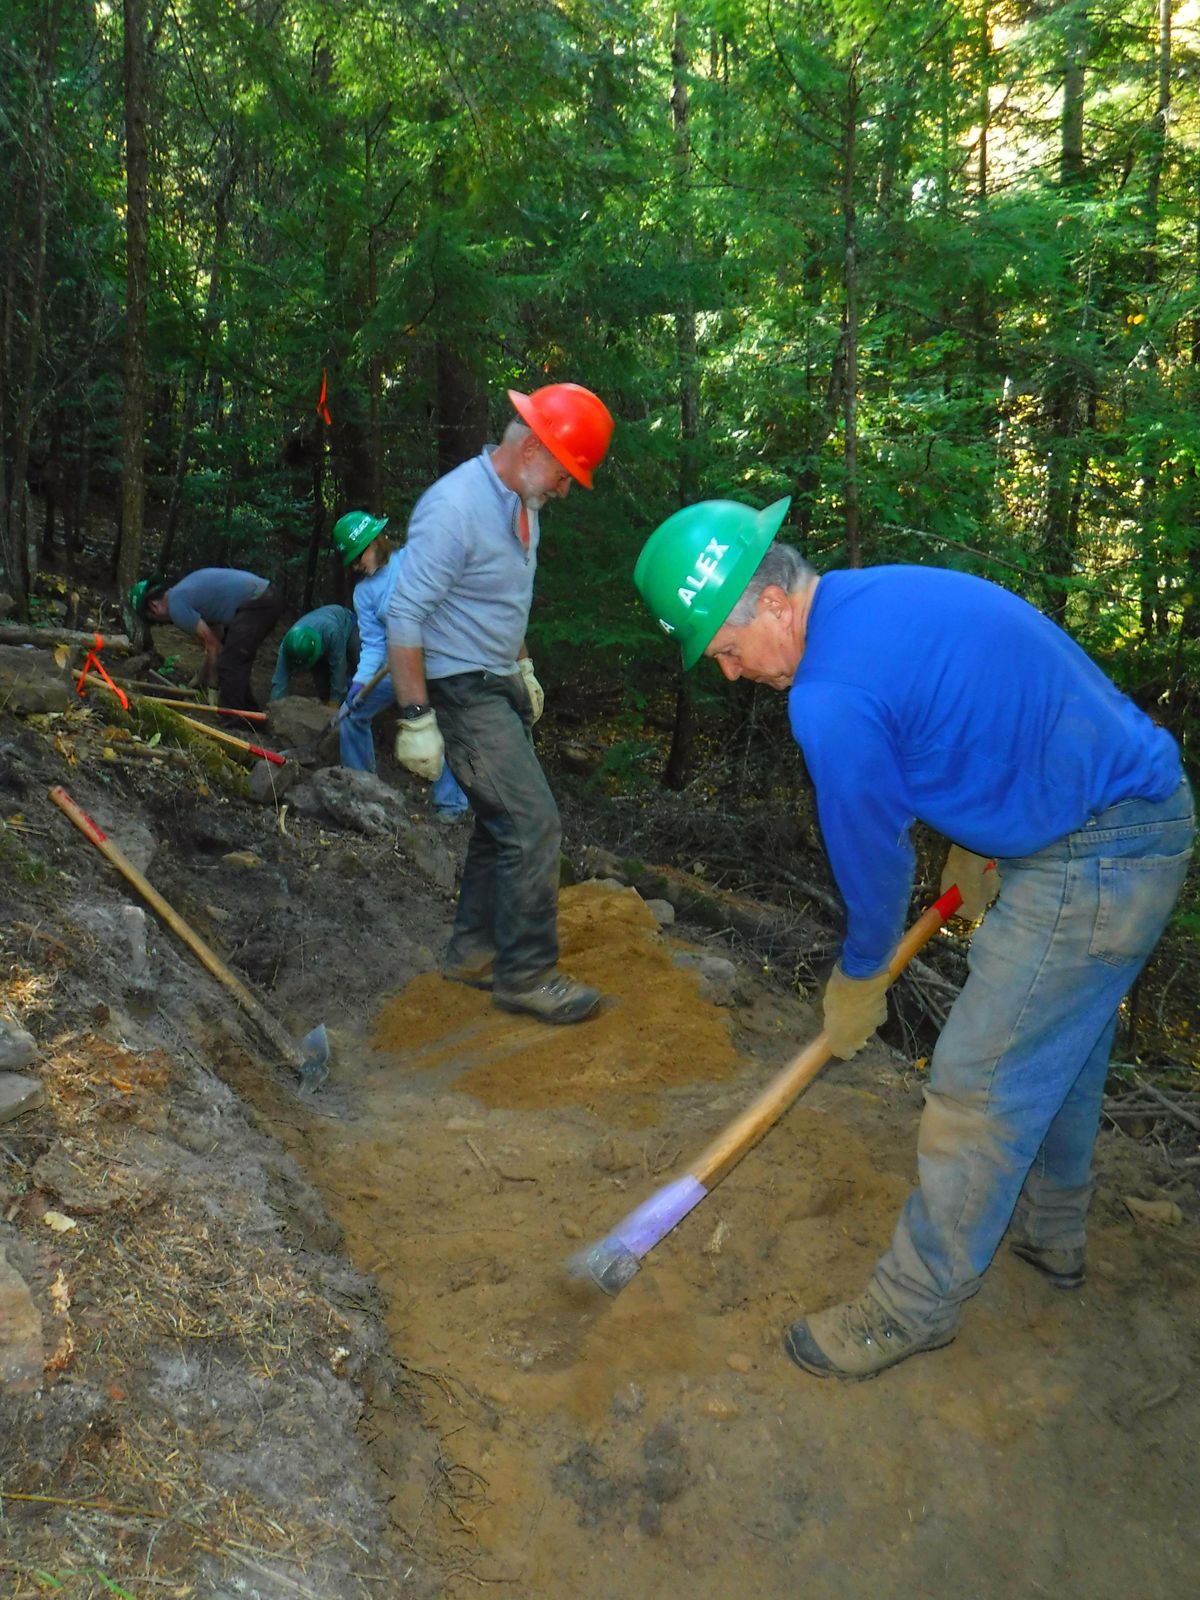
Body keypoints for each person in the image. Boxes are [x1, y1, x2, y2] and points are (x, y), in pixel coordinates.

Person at [634, 498, 1194, 1380]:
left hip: (1099, 848)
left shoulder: (827, 696)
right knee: (1064, 1040)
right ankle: (1052, 1231)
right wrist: (988, 838)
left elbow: (875, 858)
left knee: (977, 1080)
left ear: (774, 605)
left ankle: (914, 1304)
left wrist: (861, 974)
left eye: (729, 652)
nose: (733, 676)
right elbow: (988, 704)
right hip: (1125, 813)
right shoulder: (871, 597)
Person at [385, 382, 614, 1024]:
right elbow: (405, 613)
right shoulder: (454, 507)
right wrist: (416, 717)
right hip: (460, 690)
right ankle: (528, 974)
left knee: (499, 822)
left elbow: (503, 599)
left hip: (495, 679)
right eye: (566, 474)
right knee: (534, 823)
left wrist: (523, 666)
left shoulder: (521, 500)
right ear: (533, 447)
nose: (567, 490)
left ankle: (474, 952)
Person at [331, 510, 469, 823]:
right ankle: (363, 788)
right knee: (353, 714)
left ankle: (450, 808)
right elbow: (375, 646)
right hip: (397, 669)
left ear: (373, 543)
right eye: (351, 562)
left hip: (441, 661)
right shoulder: (364, 593)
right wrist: (357, 686)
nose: (356, 567)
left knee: (454, 723)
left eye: (357, 557)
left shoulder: (415, 559)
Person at [130, 568, 284, 713]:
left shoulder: (176, 607)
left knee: (230, 663)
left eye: (153, 620)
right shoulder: (184, 593)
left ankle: (233, 722)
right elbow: (214, 639)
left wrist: (212, 686)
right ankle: (250, 715)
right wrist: (198, 679)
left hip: (257, 602)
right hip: (265, 597)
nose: (160, 623)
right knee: (234, 659)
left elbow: (214, 647)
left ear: (154, 605)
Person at [269, 604, 360, 705]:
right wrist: (275, 706)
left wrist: (335, 702)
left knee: (360, 664)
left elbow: (338, 666)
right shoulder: (288, 645)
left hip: (347, 623)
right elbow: (279, 680)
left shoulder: (332, 632)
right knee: (323, 684)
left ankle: (362, 704)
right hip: (320, 637)